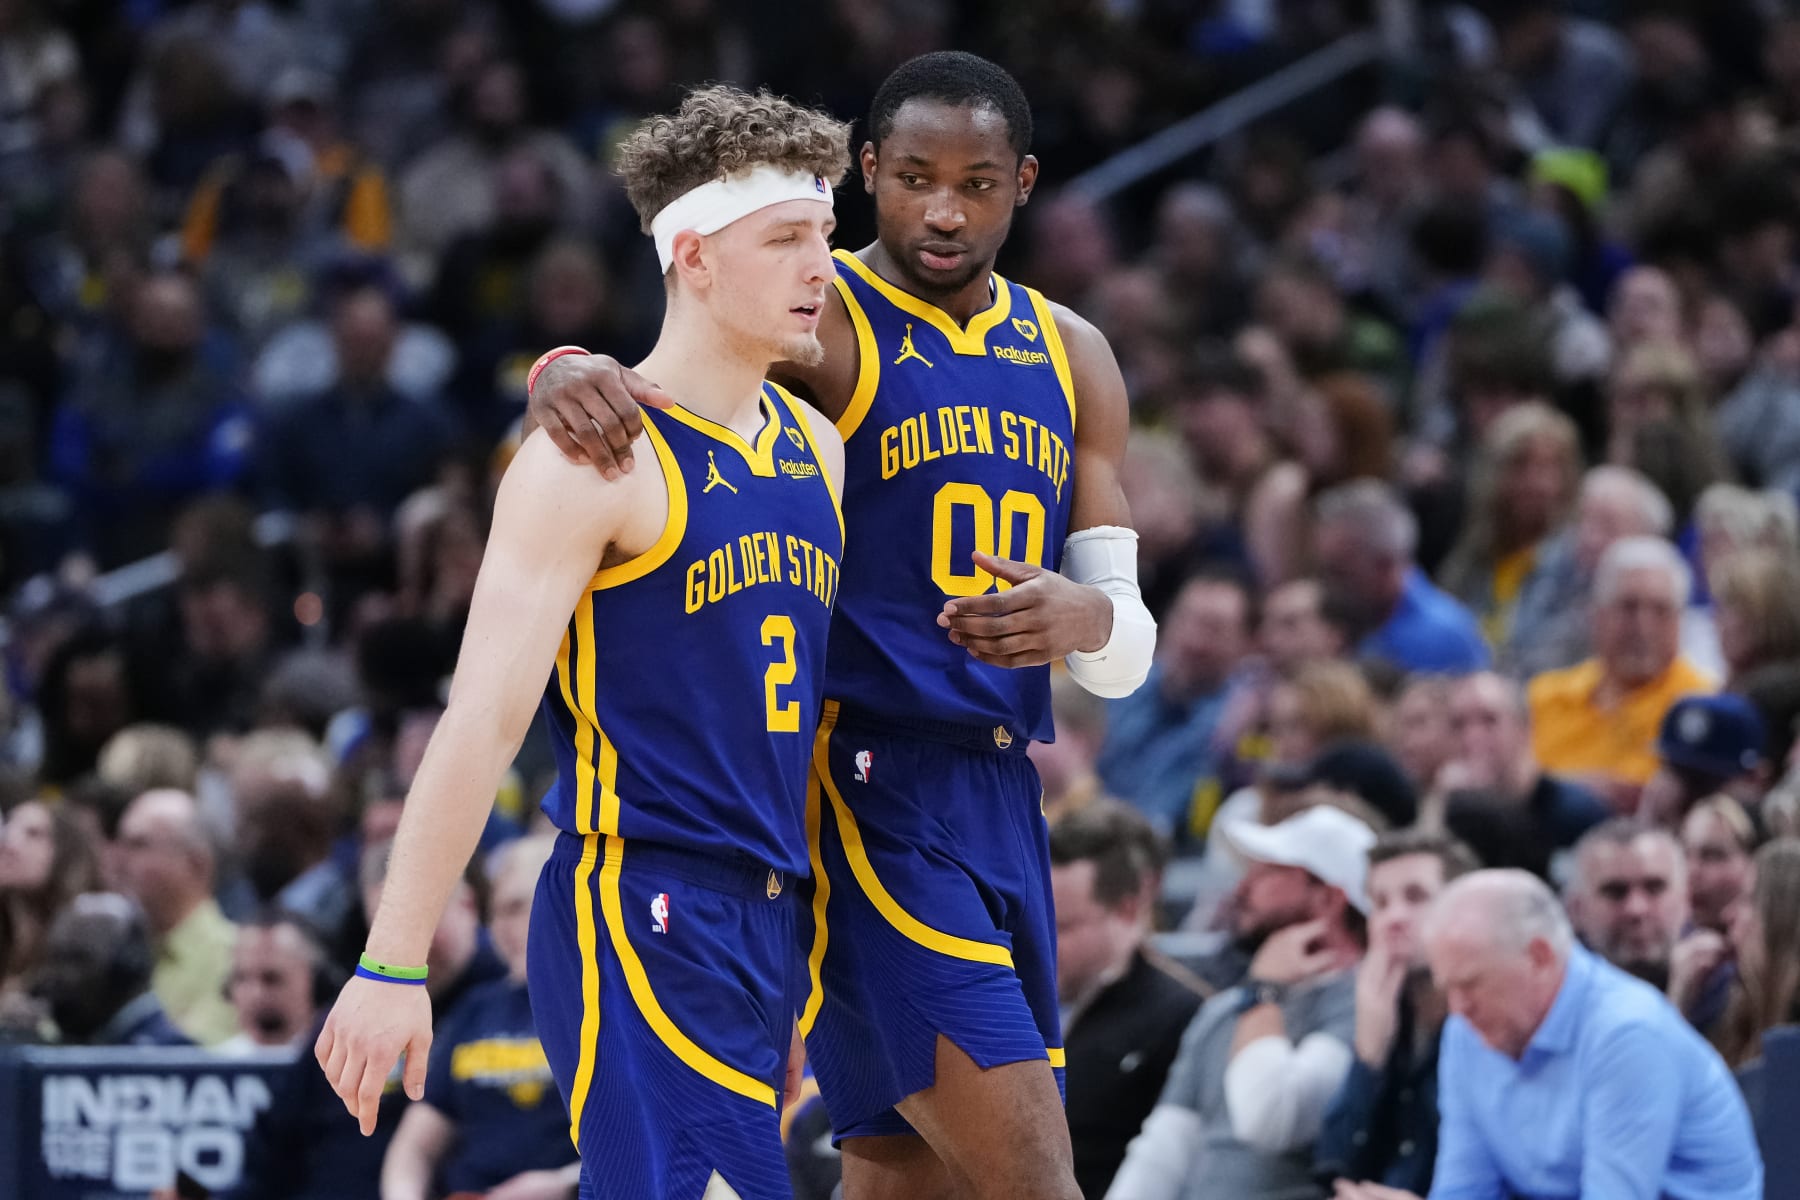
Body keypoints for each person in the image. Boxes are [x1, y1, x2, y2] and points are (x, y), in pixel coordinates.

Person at [527, 52, 1154, 1200]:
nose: (944, 210)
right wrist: (563, 368)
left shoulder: (1076, 355)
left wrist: (1090, 617)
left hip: (1006, 793)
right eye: (914, 178)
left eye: (975, 183)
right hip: (864, 791)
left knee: (915, 1176)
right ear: (867, 174)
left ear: (1025, 184)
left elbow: (1125, 659)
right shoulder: (822, 323)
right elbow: (663, 378)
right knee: (1034, 1181)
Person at [315, 83, 849, 1200]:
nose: (822, 268)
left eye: (827, 238)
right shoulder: (591, 456)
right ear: (694, 256)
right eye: (788, 239)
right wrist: (391, 958)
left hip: (770, 919)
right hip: (637, 902)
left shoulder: (813, 444)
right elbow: (484, 716)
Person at [1422, 870, 1762, 1200]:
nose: (1458, 1007)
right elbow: (1464, 1189)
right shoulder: (1468, 1032)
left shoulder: (1627, 1034)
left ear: (1539, 957)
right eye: (1448, 988)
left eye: (1470, 984)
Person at [1106, 805, 1372, 1200]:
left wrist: (1266, 991)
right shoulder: (1224, 1011)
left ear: (1329, 899)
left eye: (1266, 873)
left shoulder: (1362, 1006)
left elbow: (1270, 1118)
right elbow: (1160, 1155)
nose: (1240, 890)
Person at [380, 835, 578, 1199]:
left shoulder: (605, 1008)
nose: (501, 925)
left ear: (566, 900)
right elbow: (414, 1148)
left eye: (516, 907)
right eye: (495, 911)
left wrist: (565, 1184)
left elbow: (650, 1139)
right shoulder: (476, 1009)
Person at [1050, 801, 1207, 1200]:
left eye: (1062, 927)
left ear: (1128, 907)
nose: (1039, 945)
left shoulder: (1184, 1017)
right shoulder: (1007, 999)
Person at [1316, 830, 1477, 1198]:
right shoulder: (1383, 1013)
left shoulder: (1489, 1024)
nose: (1394, 918)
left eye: (1416, 897)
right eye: (1380, 902)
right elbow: (1333, 1167)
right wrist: (1368, 1054)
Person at [114, 787, 239, 1045]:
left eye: (139, 845)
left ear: (196, 863)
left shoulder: (237, 958)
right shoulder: (109, 953)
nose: (118, 861)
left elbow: (197, 1056)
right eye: (119, 844)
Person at [1563, 820, 1689, 991]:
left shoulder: (1719, 986)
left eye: (1654, 888)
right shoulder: (1548, 998)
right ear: (1576, 909)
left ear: (1686, 899)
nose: (1636, 909)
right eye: (1616, 892)